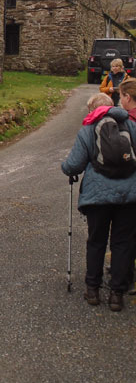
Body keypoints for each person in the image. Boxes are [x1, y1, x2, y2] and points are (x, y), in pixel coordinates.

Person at [61, 92, 136, 312]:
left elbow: (74, 165)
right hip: (129, 197)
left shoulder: (87, 130)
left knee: (96, 241)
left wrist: (65, 168)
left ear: (92, 110)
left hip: (97, 198)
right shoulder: (131, 126)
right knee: (122, 243)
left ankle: (92, 289)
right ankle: (116, 295)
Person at [119, 77, 136, 295]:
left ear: (128, 97)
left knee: (127, 233)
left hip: (130, 185)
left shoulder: (126, 122)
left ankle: (125, 276)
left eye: (121, 96)